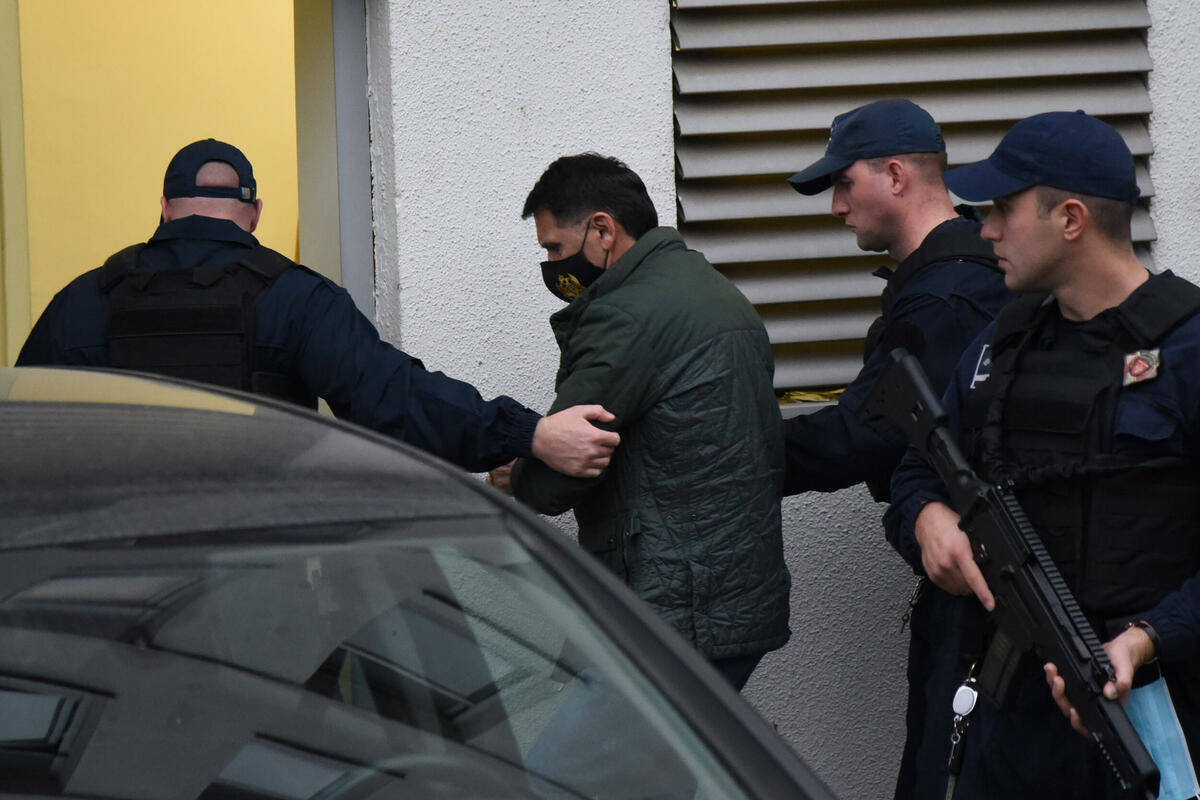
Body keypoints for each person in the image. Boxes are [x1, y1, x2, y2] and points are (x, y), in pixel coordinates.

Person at [886, 110, 1200, 798]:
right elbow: (916, 469)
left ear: (1071, 219)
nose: (986, 229)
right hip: (1008, 722)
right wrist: (927, 521)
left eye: (1004, 208)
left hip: (1152, 710)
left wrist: (1146, 638)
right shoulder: (1002, 343)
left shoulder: (1187, 350)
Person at [17, 138, 619, 476]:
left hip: (109, 584)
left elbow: (20, 439)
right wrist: (529, 434)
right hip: (255, 576)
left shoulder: (81, 301)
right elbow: (395, 399)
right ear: (255, 214)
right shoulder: (294, 298)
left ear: (165, 207)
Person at [783, 99, 1011, 800]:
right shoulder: (957, 275)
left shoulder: (945, 297)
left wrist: (725, 453)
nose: (836, 207)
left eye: (843, 184)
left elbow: (867, 435)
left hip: (980, 588)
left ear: (895, 175)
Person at [504, 152, 791, 691]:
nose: (552, 265)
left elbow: (555, 480)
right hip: (733, 599)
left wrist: (517, 474)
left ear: (602, 230)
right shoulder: (716, 291)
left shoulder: (625, 316)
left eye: (555, 248)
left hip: (671, 610)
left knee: (574, 747)